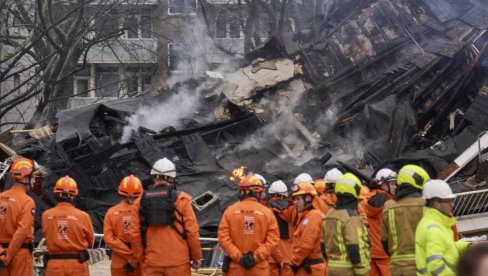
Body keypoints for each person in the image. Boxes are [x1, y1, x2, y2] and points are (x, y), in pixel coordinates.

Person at [129, 157, 202, 275]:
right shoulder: (182, 199)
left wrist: (141, 258)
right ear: (172, 178)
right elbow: (192, 232)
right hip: (178, 262)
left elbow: (134, 234)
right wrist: (196, 256)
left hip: (152, 260)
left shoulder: (140, 201)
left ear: (153, 177)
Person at [218, 173, 280, 275]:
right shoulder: (267, 213)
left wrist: (239, 257)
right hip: (259, 269)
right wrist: (255, 258)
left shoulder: (230, 211)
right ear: (258, 192)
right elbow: (273, 240)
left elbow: (223, 237)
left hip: (236, 268)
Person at [381, 164, 430, 276]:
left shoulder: (388, 208)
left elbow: (385, 242)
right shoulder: (428, 206)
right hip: (424, 267)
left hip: (398, 270)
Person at [42, 175, 94, 276]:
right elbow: (90, 241)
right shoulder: (83, 216)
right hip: (77, 265)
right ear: (74, 195)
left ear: (56, 193)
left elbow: (47, 235)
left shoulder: (46, 215)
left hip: (54, 265)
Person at [415, 179, 469, 276]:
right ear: (436, 203)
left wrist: (467, 246)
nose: (452, 205)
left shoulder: (432, 223)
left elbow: (447, 247)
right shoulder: (433, 229)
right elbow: (435, 265)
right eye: (448, 201)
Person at [322, 173, 370, 276]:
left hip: (332, 269)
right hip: (349, 271)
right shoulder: (351, 217)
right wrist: (362, 271)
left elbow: (322, 245)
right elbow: (354, 247)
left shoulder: (329, 214)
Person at [0, 158, 39, 276]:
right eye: (33, 177)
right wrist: (8, 256)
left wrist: (2, 253)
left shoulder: (1, 197)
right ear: (25, 177)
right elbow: (21, 232)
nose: (35, 180)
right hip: (19, 255)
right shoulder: (28, 202)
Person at [104, 175, 144, 276]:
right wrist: (135, 257)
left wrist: (129, 256)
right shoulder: (145, 212)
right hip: (141, 262)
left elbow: (109, 239)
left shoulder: (111, 212)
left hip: (119, 261)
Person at [360, 168, 396, 276]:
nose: (395, 187)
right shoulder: (390, 204)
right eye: (392, 184)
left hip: (370, 254)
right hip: (386, 255)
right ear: (382, 184)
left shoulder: (364, 202)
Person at [290, 182, 327, 276]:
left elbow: (306, 244)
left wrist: (294, 262)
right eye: (294, 199)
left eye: (298, 199)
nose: (295, 202)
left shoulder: (313, 216)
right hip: (310, 267)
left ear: (308, 198)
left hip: (311, 270)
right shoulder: (309, 216)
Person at [267, 180, 294, 276]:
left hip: (270, 257)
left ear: (270, 194)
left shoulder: (264, 210)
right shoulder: (294, 210)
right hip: (288, 256)